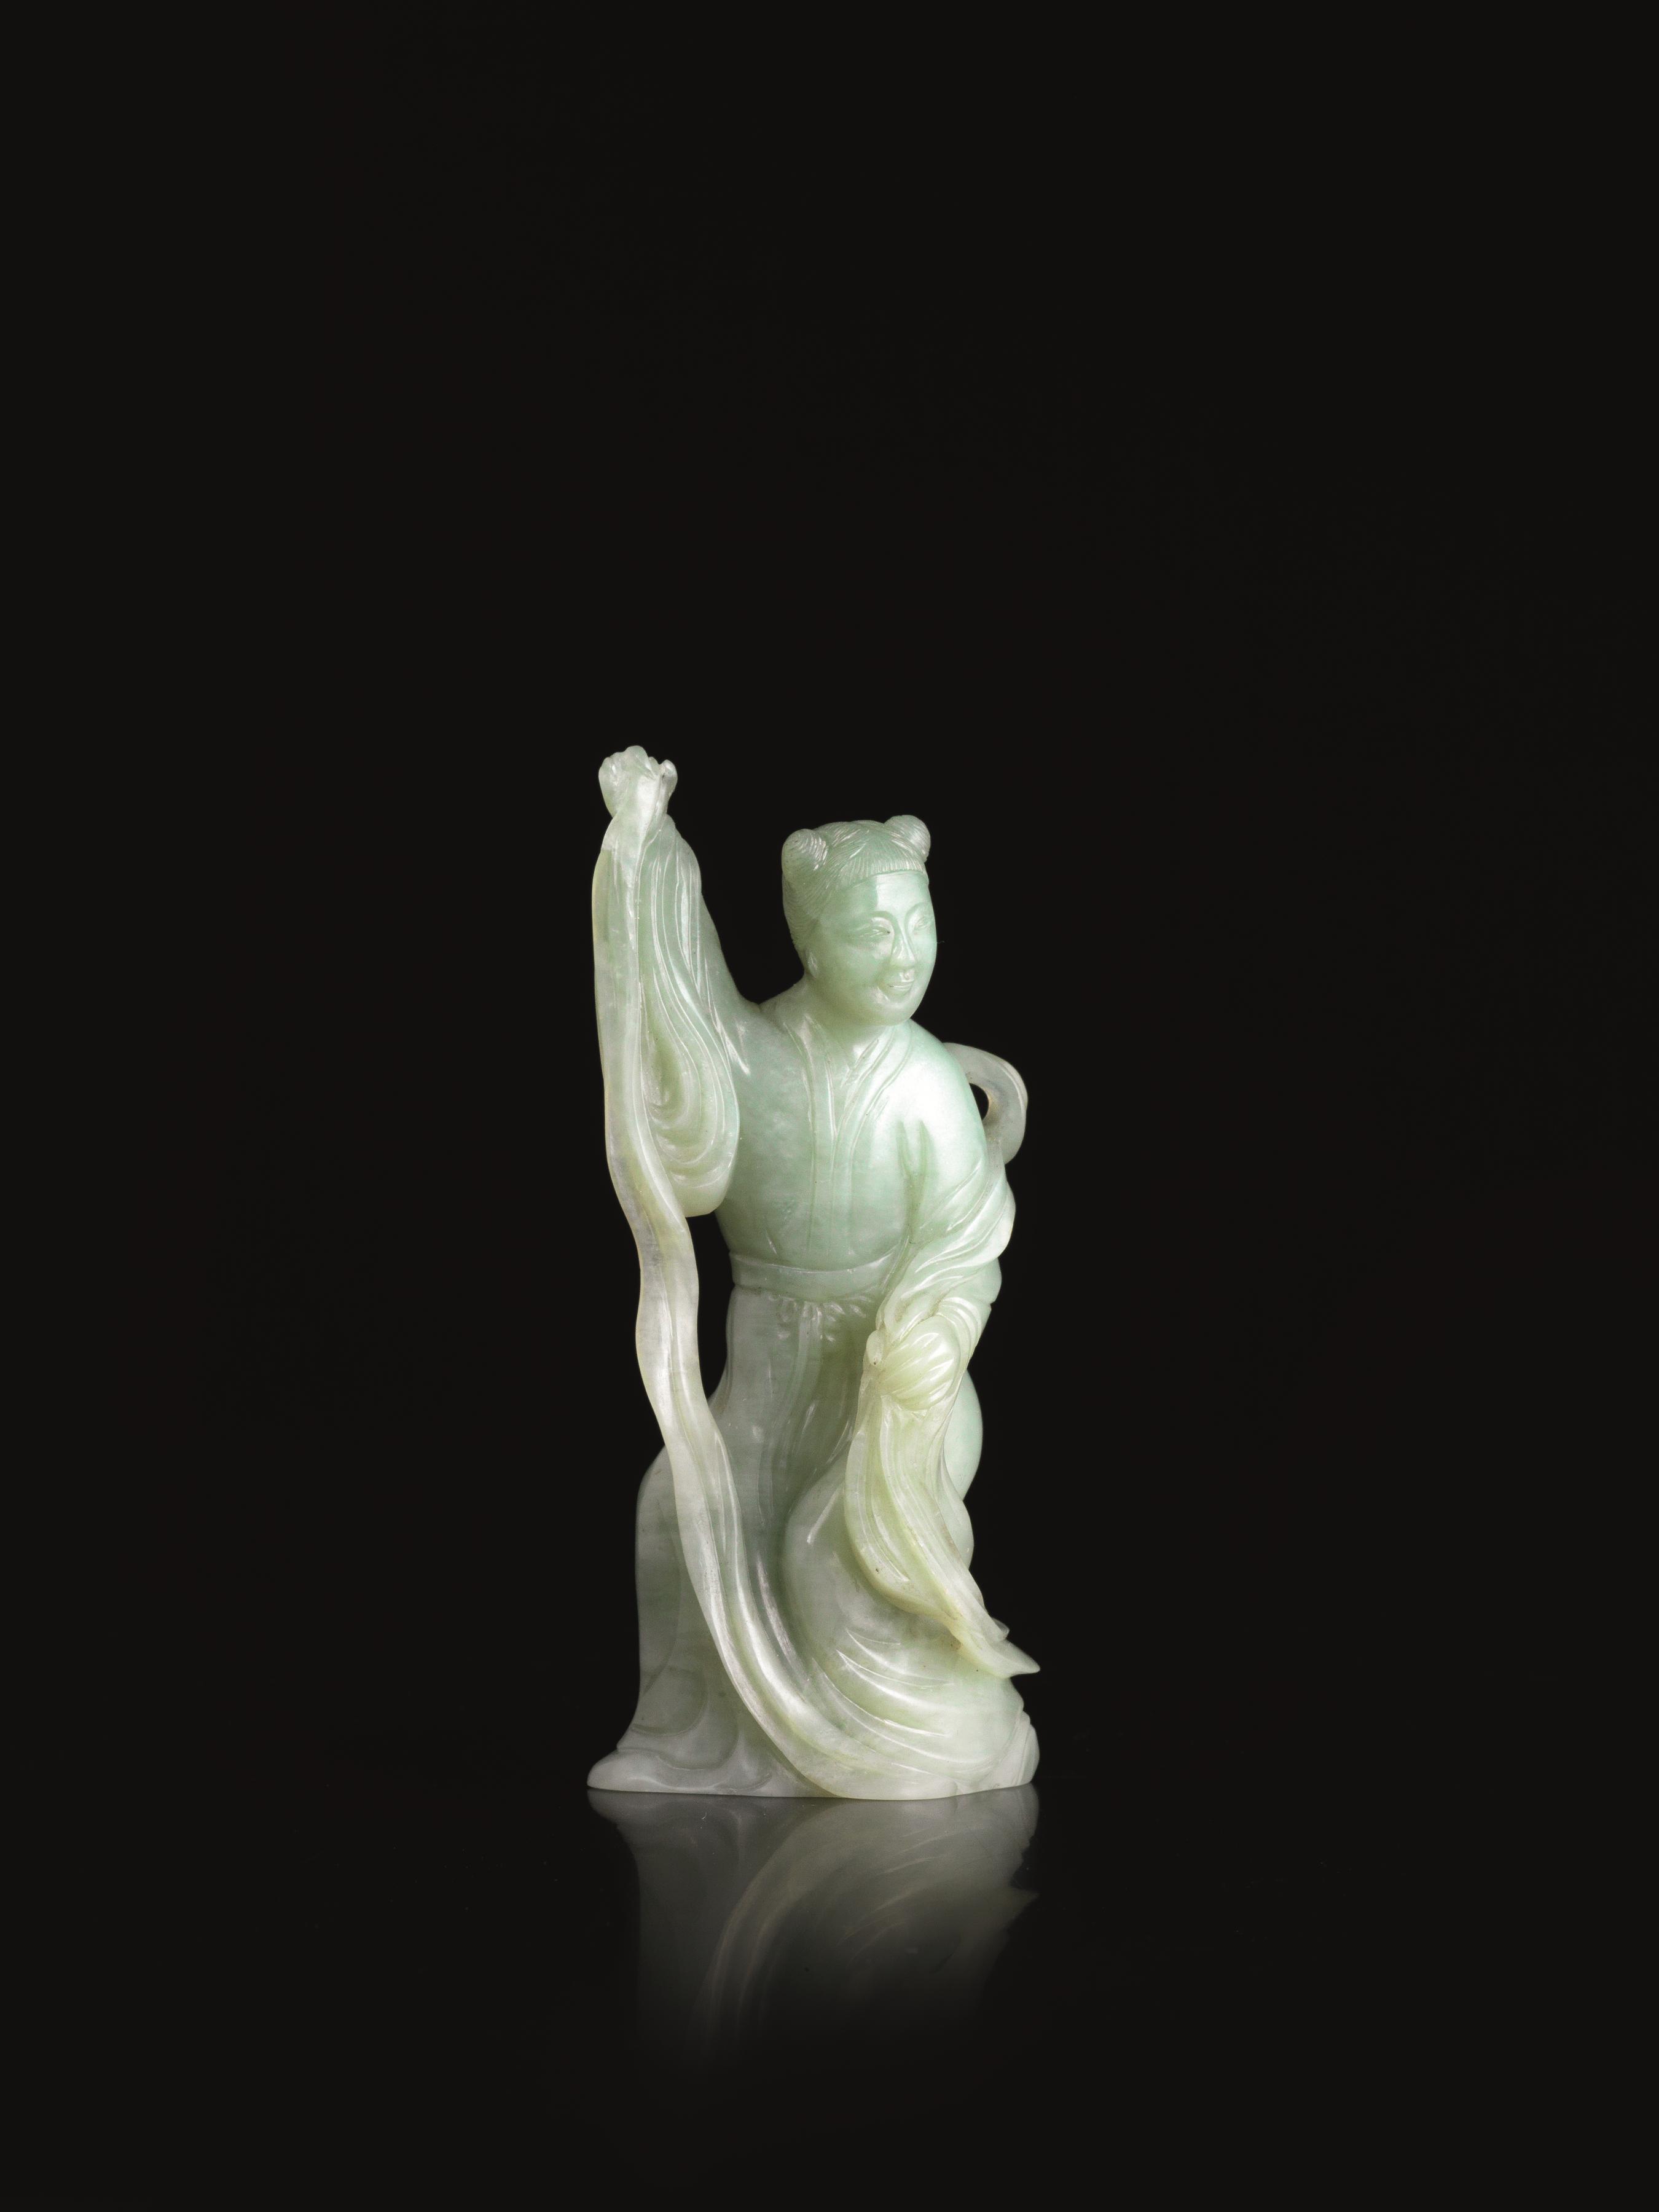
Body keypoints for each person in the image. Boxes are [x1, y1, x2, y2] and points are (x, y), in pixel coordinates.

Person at [589, 746, 1037, 1798]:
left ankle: (921, 1741)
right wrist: (642, 843)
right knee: (679, 1518)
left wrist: (936, 1339)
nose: (905, 956)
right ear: (809, 938)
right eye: (873, 931)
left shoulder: (925, 1084)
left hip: (891, 1381)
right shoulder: (752, 1058)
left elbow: (965, 1251)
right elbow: (677, 977)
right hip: (766, 1364)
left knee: (832, 1555)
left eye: (919, 925)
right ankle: (702, 1745)